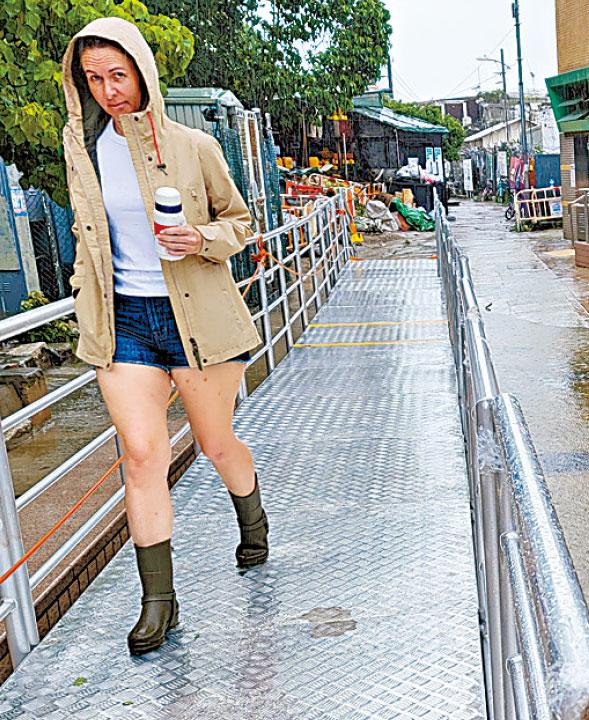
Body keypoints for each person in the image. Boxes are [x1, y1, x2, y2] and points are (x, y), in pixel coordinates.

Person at [62, 18, 267, 655]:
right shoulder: (86, 153)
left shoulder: (194, 145)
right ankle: (159, 602)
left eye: (117, 75)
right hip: (125, 325)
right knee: (143, 456)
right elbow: (86, 236)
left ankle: (253, 522)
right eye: (93, 78)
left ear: (143, 73)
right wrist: (79, 289)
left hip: (197, 321)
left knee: (214, 443)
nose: (107, 90)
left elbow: (240, 221)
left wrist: (200, 240)